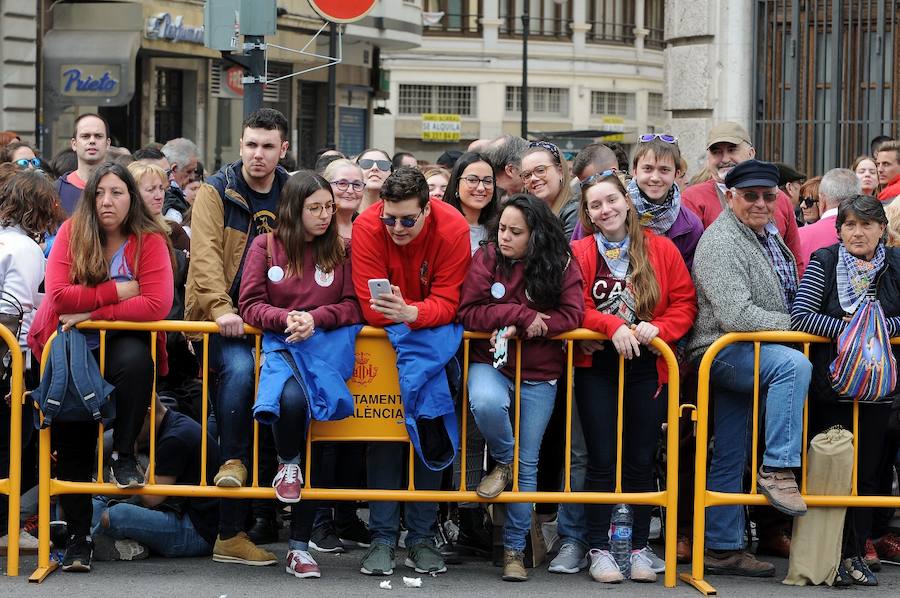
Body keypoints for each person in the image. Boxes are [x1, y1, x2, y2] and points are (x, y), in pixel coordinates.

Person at [27, 162, 174, 572]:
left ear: (132, 198)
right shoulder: (73, 233)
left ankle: (124, 453)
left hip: (117, 340)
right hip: (69, 344)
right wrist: (118, 291)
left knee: (134, 360)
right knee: (73, 438)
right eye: (100, 193)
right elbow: (57, 296)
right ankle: (78, 539)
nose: (108, 201)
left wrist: (94, 308)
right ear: (90, 199)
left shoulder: (149, 240)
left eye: (118, 192)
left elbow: (156, 304)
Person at [687, 159, 812, 577]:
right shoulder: (721, 241)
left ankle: (721, 549)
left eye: (768, 196)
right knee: (793, 366)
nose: (761, 203)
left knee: (730, 450)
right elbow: (737, 314)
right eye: (750, 196)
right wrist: (800, 326)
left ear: (779, 198)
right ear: (729, 197)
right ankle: (777, 468)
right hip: (722, 351)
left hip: (752, 349)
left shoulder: (768, 233)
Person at [571, 171, 697, 583]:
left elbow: (684, 303)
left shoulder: (660, 249)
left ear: (627, 202)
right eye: (595, 205)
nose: (605, 209)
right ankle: (599, 547)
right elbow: (572, 305)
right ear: (588, 214)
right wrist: (611, 326)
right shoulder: (580, 251)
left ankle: (639, 546)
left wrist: (659, 327)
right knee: (602, 460)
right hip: (598, 369)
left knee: (641, 459)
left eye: (611, 200)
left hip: (649, 367)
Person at [239, 171, 363, 580]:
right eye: (316, 207)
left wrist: (314, 318)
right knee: (290, 403)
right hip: (281, 347)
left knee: (322, 442)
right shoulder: (265, 245)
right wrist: (286, 318)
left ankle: (299, 547)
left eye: (329, 207)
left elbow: (351, 306)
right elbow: (250, 304)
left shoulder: (340, 250)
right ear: (293, 208)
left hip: (325, 352)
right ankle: (287, 462)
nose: (325, 215)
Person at [351, 166, 471, 577]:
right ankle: (382, 537)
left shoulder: (453, 227)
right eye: (390, 218)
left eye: (407, 219)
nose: (396, 227)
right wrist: (413, 315)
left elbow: (451, 301)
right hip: (387, 337)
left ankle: (420, 537)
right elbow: (369, 304)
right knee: (384, 436)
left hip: (432, 337)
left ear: (428, 209)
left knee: (429, 429)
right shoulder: (369, 224)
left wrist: (412, 312)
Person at [458, 194, 584, 581]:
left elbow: (572, 315)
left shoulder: (561, 262)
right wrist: (521, 315)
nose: (505, 237)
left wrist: (533, 325)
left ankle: (515, 548)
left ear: (537, 234)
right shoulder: (487, 258)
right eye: (501, 230)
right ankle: (504, 461)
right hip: (490, 363)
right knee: (485, 403)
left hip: (540, 371)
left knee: (530, 462)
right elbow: (469, 311)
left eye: (516, 232)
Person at [185, 107, 291, 567]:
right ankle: (231, 521)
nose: (257, 155)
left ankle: (279, 522)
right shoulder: (215, 190)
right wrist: (222, 309)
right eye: (251, 144)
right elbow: (205, 257)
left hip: (277, 318)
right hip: (226, 317)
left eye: (268, 146)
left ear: (283, 150)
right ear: (240, 145)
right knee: (241, 377)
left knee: (282, 410)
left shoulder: (293, 192)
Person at [791, 194, 900, 586]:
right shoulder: (825, 261)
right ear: (839, 231)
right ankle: (826, 557)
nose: (858, 232)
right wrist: (855, 332)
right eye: (850, 225)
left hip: (878, 390)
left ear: (881, 230)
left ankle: (855, 554)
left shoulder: (896, 265)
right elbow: (801, 316)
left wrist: (880, 330)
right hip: (831, 388)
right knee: (829, 472)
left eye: (867, 225)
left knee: (867, 475)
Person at [0, 171, 62, 553]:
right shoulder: (25, 250)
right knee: (13, 451)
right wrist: (17, 372)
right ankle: (6, 527)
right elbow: (14, 312)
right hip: (10, 366)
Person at [90, 394, 220, 559]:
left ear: (147, 414)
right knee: (97, 502)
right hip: (175, 509)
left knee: (115, 515)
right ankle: (121, 543)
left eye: (129, 424)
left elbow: (151, 499)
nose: (126, 431)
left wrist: (129, 476)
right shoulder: (171, 423)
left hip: (197, 530)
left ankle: (89, 541)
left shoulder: (174, 438)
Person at [682, 122, 805, 273]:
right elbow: (688, 262)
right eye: (716, 152)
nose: (725, 159)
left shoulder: (779, 198)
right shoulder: (693, 198)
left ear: (751, 153)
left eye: (732, 149)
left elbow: (794, 259)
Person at [621, 135, 704, 269]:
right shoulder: (613, 212)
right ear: (635, 171)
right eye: (647, 168)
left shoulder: (690, 226)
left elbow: (686, 281)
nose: (655, 178)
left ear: (676, 174)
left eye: (664, 170)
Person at [798, 169, 862, 265]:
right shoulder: (871, 233)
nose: (802, 205)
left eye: (809, 201)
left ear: (822, 200)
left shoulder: (800, 236)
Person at [444, 152, 499, 254]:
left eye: (488, 181)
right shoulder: (441, 226)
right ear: (456, 185)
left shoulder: (501, 228)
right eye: (472, 180)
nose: (481, 188)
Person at [519, 141, 579, 236]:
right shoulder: (529, 214)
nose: (533, 178)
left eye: (540, 170)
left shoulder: (574, 211)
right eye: (527, 175)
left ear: (560, 171)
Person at [56, 114, 111, 215]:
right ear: (74, 144)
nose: (92, 141)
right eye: (85, 136)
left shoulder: (122, 188)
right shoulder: (56, 191)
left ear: (107, 144)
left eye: (98, 136)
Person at [322, 159, 364, 240]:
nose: (350, 190)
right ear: (326, 186)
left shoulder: (367, 228)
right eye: (342, 184)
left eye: (357, 184)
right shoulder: (316, 228)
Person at [161, 138, 200, 223]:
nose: (192, 177)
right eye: (189, 171)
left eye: (194, 171)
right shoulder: (171, 206)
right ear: (174, 168)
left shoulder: (175, 197)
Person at [356, 148, 392, 213]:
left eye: (383, 164)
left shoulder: (400, 216)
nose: (374, 168)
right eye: (366, 164)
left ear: (391, 173)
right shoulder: (345, 212)